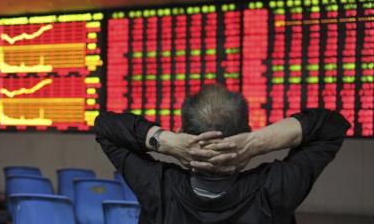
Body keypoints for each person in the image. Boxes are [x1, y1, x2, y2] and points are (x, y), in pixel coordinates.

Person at [94, 84, 350, 224]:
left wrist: (168, 141)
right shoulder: (274, 191)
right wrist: (256, 143)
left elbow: (105, 126)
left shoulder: (158, 188)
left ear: (182, 131)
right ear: (246, 132)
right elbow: (332, 125)